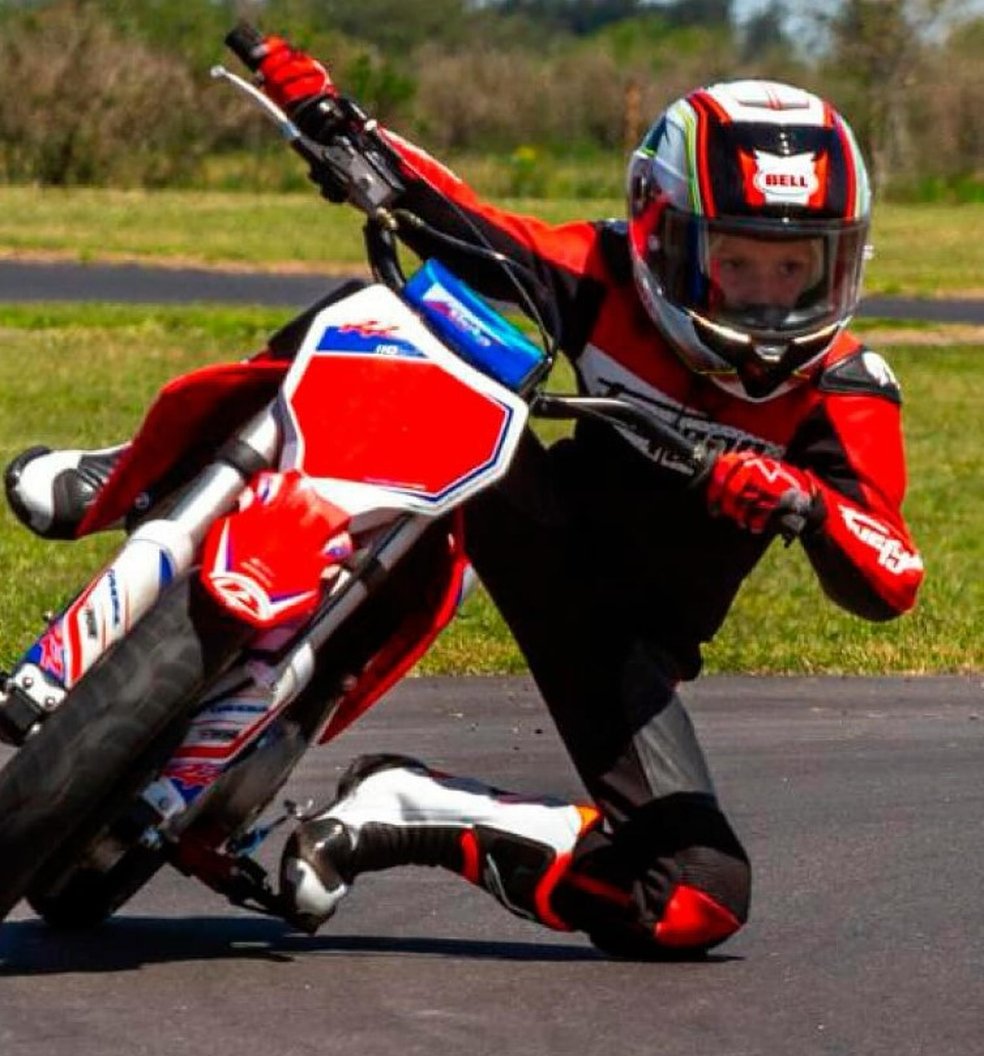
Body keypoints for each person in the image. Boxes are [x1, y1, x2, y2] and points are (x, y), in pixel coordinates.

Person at [4, 35, 924, 958]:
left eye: (796, 266)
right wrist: (344, 127)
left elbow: (893, 574)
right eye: (739, 261)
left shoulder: (846, 390)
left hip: (626, 648)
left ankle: (408, 809)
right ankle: (143, 472)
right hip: (532, 517)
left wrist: (807, 503)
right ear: (664, 232)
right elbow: (472, 222)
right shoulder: (604, 276)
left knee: (697, 895)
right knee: (384, 316)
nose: (768, 296)